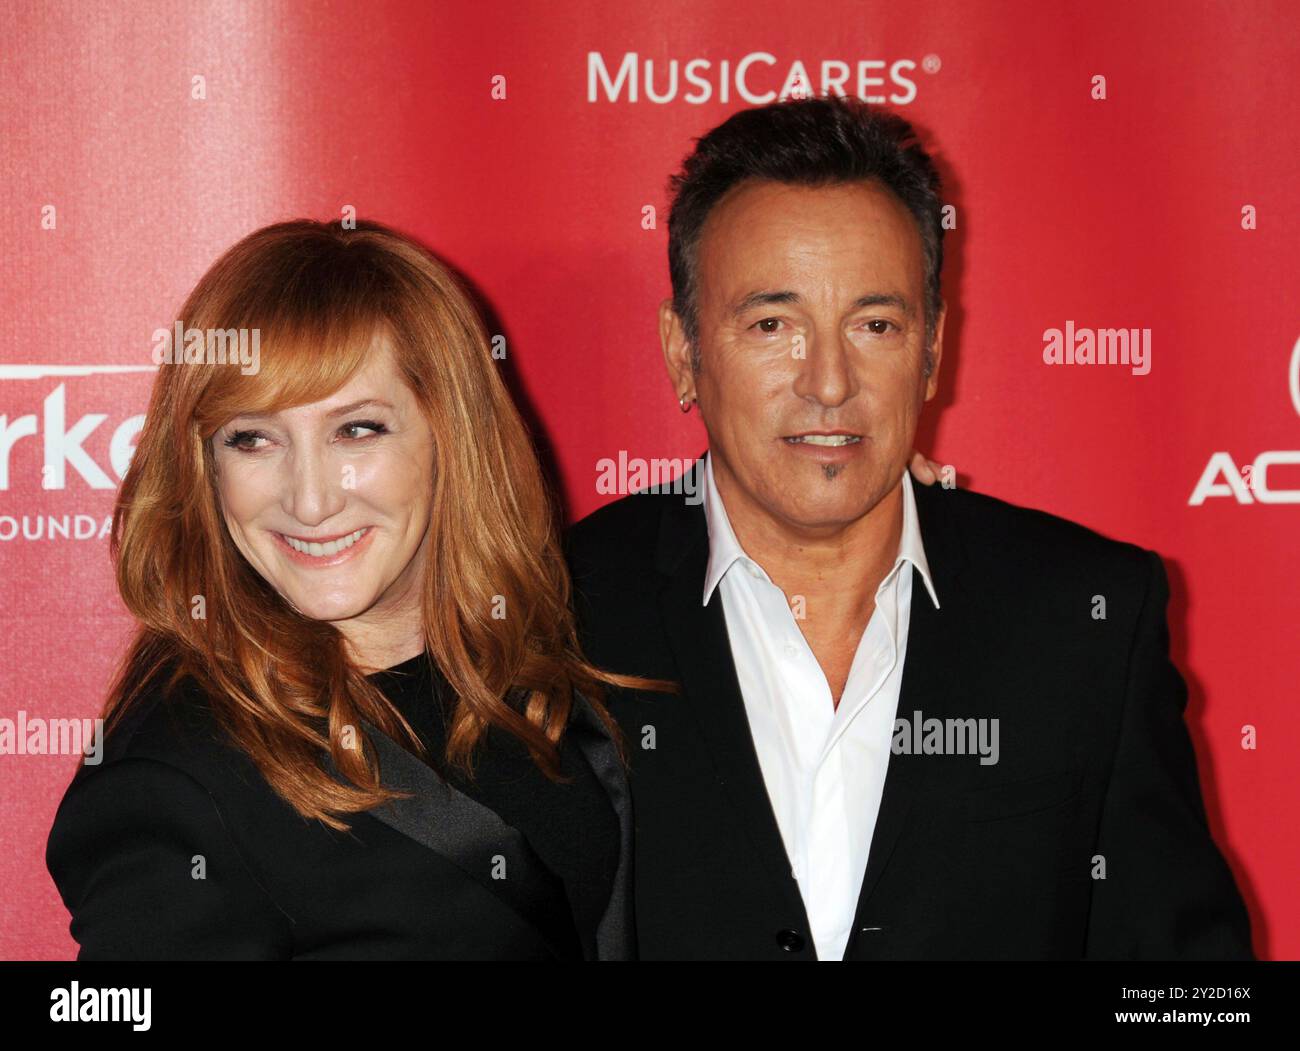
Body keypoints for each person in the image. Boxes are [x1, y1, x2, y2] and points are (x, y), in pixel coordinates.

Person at [564, 95, 1254, 960]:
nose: (827, 381)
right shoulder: (561, 613)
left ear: (930, 354)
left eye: (875, 324)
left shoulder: (1084, 618)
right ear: (683, 352)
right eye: (772, 324)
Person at [47, 219, 660, 960]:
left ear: (450, 434)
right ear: (202, 466)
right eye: (253, 438)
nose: (310, 500)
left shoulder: (544, 653)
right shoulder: (176, 778)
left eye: (357, 430)